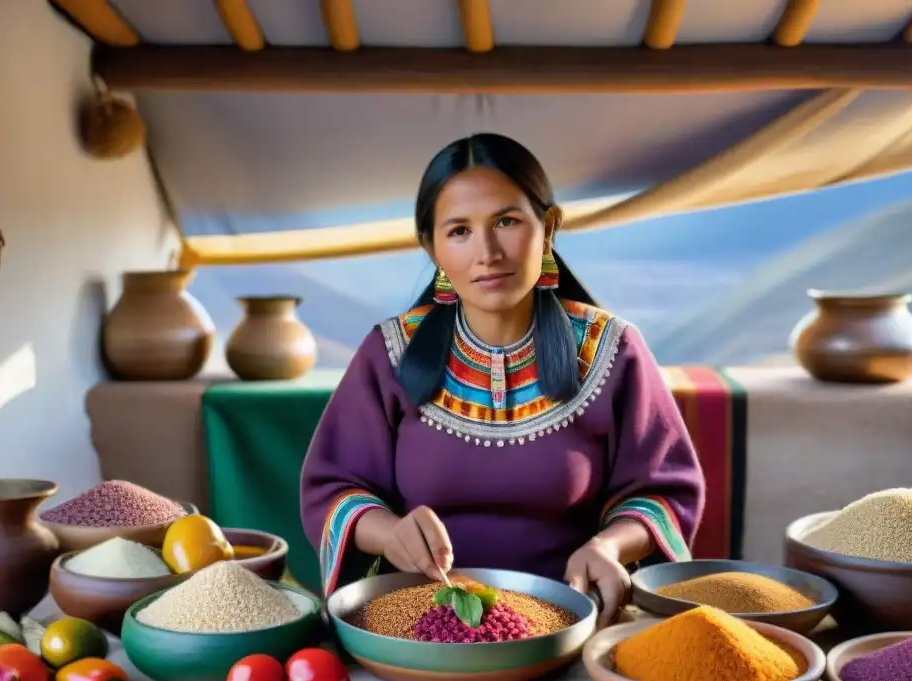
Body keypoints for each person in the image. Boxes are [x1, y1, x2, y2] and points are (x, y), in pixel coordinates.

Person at [301, 133, 705, 627]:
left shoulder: (613, 350)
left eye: (507, 222)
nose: (487, 252)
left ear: (549, 226)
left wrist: (609, 545)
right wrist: (388, 534)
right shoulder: (388, 354)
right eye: (459, 231)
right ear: (430, 246)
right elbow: (332, 489)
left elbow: (664, 492)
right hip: (421, 625)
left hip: (572, 623)